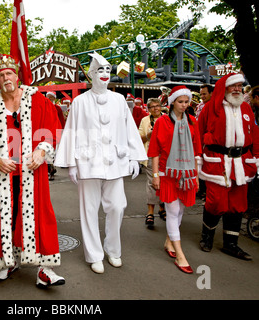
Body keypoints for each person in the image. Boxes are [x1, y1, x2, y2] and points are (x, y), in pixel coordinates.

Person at [0, 54, 65, 288]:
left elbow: (54, 126)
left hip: (32, 173)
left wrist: (41, 150)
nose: (5, 78)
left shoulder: (39, 100)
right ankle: (6, 260)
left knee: (40, 216)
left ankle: (45, 269)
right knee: (4, 217)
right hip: (0, 174)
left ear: (17, 75)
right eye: (1, 75)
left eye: (9, 73)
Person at [54, 52, 147, 274]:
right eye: (100, 71)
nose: (105, 74)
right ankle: (94, 254)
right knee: (89, 210)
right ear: (92, 75)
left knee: (118, 206)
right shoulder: (79, 102)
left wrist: (135, 157)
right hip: (87, 162)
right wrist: (71, 164)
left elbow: (129, 130)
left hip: (115, 161)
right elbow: (71, 132)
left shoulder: (119, 100)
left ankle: (113, 249)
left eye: (108, 71)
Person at [198, 73, 259, 260]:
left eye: (240, 86)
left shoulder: (246, 108)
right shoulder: (210, 108)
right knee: (215, 202)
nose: (238, 89)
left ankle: (231, 244)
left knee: (237, 204)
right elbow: (197, 135)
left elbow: (254, 135)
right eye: (234, 86)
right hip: (217, 162)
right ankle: (207, 237)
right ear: (225, 88)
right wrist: (196, 158)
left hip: (241, 164)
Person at [148, 86, 202, 274]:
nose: (184, 105)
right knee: (172, 210)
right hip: (166, 173)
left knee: (180, 210)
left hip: (187, 174)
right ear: (172, 102)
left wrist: (195, 175)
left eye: (187, 102)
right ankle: (180, 255)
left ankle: (169, 242)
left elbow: (196, 152)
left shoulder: (193, 122)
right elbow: (154, 151)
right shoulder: (162, 122)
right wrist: (155, 175)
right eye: (181, 102)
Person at [139, 98, 165, 229]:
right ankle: (150, 212)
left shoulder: (167, 118)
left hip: (165, 156)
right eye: (152, 107)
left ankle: (162, 207)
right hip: (150, 154)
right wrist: (149, 134)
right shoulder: (145, 121)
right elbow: (139, 138)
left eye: (157, 106)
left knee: (164, 182)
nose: (156, 109)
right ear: (148, 109)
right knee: (152, 183)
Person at [46, 91, 65, 180]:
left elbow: (61, 120)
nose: (49, 98)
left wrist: (63, 131)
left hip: (55, 131)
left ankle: (51, 169)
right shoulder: (44, 106)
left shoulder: (57, 108)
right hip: (45, 132)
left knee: (53, 152)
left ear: (54, 98)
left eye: (51, 97)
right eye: (48, 97)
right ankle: (50, 169)